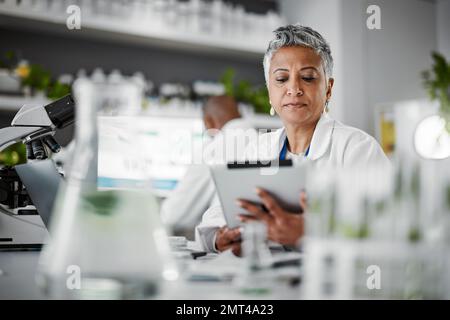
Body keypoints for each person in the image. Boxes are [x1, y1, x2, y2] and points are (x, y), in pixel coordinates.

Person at [195, 24, 391, 255]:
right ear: (269, 90)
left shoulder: (358, 149)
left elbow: (389, 229)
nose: (294, 88)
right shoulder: (256, 149)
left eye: (307, 77)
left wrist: (313, 232)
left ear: (328, 89)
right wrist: (221, 237)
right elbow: (217, 215)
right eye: (281, 79)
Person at [160, 95, 255, 234]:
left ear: (208, 121)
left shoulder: (214, 148)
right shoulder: (262, 141)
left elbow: (173, 216)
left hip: (226, 242)